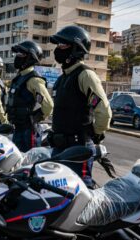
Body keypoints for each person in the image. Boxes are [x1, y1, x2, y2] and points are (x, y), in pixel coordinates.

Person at [48, 26, 112, 187]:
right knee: (57, 190)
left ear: (76, 48)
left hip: (78, 147)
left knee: (81, 191)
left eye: (62, 45)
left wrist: (94, 134)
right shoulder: (64, 77)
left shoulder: (85, 75)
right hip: (59, 146)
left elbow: (104, 111)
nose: (58, 49)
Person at [6, 41, 53, 152]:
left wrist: (34, 119)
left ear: (30, 57)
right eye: (17, 54)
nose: (17, 57)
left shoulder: (34, 79)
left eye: (21, 54)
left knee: (29, 162)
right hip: (18, 127)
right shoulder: (19, 77)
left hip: (28, 130)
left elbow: (48, 105)